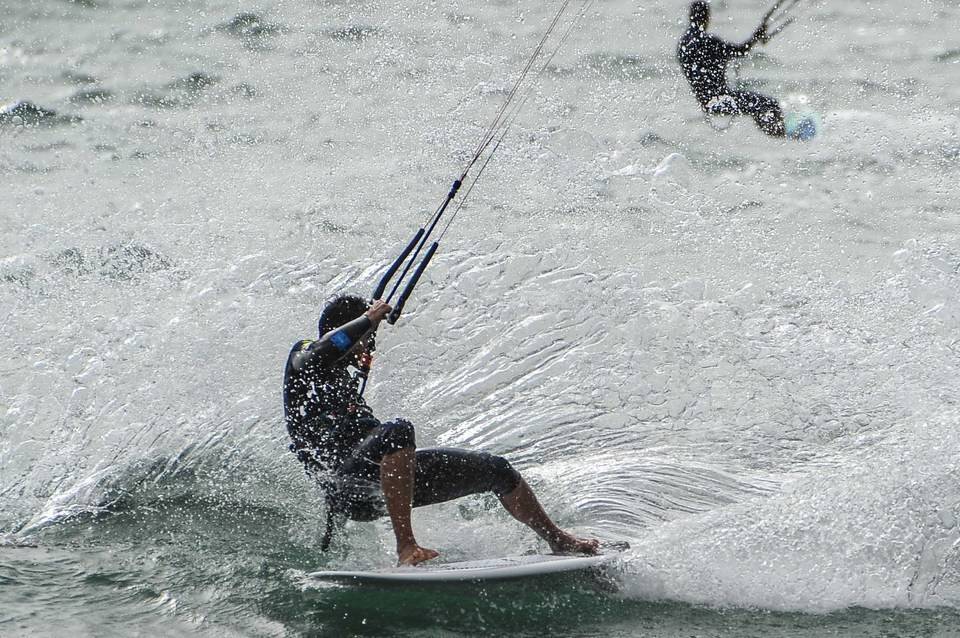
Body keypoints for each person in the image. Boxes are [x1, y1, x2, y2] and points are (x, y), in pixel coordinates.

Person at [283, 294, 599, 566]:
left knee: (496, 469)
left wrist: (365, 330)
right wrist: (367, 319)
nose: (370, 345)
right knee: (398, 430)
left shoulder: (345, 381)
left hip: (383, 479)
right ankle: (406, 547)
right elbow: (320, 353)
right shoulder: (305, 354)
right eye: (367, 338)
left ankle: (559, 540)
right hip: (348, 489)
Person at [677, 1, 786, 137]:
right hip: (721, 100)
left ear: (691, 17)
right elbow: (742, 50)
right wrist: (757, 36)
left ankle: (771, 136)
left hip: (705, 102)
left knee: (758, 107)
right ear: (706, 17)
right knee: (770, 104)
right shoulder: (708, 42)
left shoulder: (683, 44)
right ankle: (780, 139)